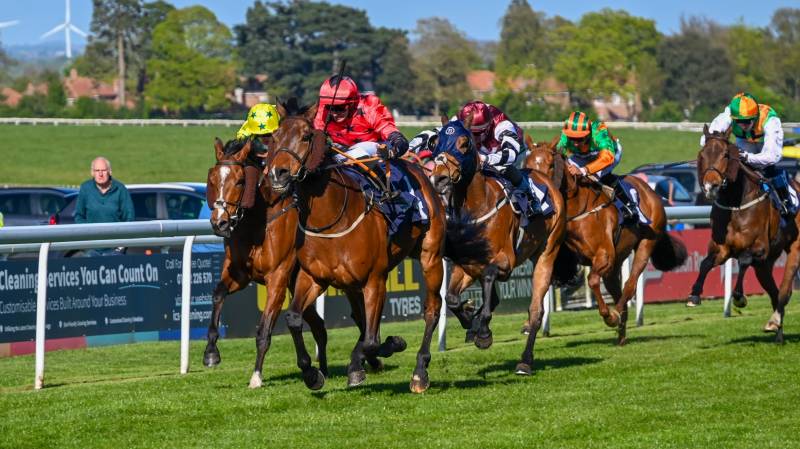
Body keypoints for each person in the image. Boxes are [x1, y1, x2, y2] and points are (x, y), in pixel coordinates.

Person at [704, 92, 794, 217]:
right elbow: (707, 138)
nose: (743, 125)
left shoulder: (771, 121)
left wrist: (747, 156)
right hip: (745, 141)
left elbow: (772, 156)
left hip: (765, 145)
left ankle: (786, 202)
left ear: (755, 116)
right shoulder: (729, 113)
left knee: (767, 169)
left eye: (747, 121)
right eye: (739, 121)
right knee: (736, 167)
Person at [457, 100, 539, 217]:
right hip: (484, 150)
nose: (472, 137)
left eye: (475, 134)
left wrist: (485, 159)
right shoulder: (461, 117)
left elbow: (510, 154)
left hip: (513, 151)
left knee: (503, 168)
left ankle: (531, 199)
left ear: (487, 126)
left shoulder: (503, 124)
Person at [557, 111, 637, 223]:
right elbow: (557, 152)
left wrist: (584, 170)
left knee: (595, 176)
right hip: (581, 155)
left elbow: (607, 157)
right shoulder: (566, 134)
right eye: (572, 138)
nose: (575, 143)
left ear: (588, 133)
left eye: (580, 139)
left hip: (608, 154)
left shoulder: (598, 131)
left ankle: (628, 204)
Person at [313, 75, 408, 163]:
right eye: (330, 107)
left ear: (351, 104)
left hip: (373, 147)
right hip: (342, 149)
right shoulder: (322, 112)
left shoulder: (368, 107)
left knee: (359, 150)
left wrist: (395, 149)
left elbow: (392, 133)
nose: (334, 113)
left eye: (339, 108)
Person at [74, 157, 134, 255]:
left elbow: (129, 217)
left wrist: (121, 246)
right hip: (92, 248)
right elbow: (79, 216)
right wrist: (87, 238)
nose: (100, 174)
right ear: (92, 173)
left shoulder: (120, 189)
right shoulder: (86, 188)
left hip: (114, 249)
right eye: (97, 170)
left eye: (103, 170)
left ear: (110, 171)